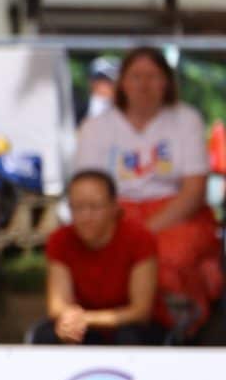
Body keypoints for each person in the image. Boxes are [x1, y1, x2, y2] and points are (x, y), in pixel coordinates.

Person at [73, 44, 223, 332]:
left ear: (166, 82)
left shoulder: (186, 119)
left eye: (153, 76)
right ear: (123, 83)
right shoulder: (97, 126)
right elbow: (86, 189)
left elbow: (194, 190)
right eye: (136, 76)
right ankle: (101, 323)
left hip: (175, 211)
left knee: (170, 257)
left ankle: (173, 327)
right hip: (112, 212)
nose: (144, 85)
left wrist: (146, 229)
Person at [35, 168, 164, 345]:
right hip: (83, 327)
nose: (86, 216)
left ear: (114, 206)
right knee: (48, 335)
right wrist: (70, 323)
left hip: (130, 326)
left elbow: (140, 311)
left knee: (129, 337)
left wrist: (85, 319)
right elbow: (57, 305)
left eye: (95, 207)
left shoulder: (139, 238)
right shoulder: (60, 240)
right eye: (78, 207)